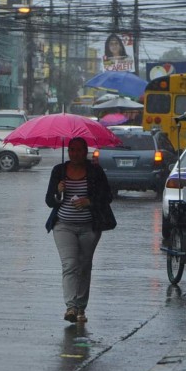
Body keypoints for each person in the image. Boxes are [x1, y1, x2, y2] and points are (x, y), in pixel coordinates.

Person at [45, 137, 115, 324]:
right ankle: (70, 306)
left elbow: (107, 195)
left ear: (86, 152)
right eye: (71, 150)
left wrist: (89, 201)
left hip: (89, 227)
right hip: (63, 225)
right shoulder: (59, 171)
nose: (75, 154)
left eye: (79, 150)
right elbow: (49, 201)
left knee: (84, 265)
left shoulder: (95, 171)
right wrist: (58, 191)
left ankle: (81, 308)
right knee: (69, 265)